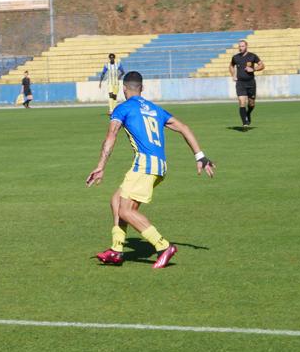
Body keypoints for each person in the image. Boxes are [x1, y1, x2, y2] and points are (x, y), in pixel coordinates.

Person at [86, 72, 215, 269]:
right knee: (116, 200)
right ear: (142, 88)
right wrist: (200, 157)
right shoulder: (155, 109)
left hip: (145, 164)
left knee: (125, 211)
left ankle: (163, 246)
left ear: (124, 89)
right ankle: (116, 249)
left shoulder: (123, 108)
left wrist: (101, 166)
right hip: (159, 165)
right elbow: (183, 127)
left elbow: (111, 136)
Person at [229, 39, 264, 129]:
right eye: (239, 46)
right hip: (240, 83)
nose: (241, 48)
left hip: (251, 82)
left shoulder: (252, 56)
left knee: (251, 104)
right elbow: (231, 66)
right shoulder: (235, 57)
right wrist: (233, 75)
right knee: (242, 101)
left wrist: (254, 69)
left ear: (246, 46)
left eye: (242, 46)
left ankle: (248, 113)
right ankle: (245, 123)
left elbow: (262, 65)